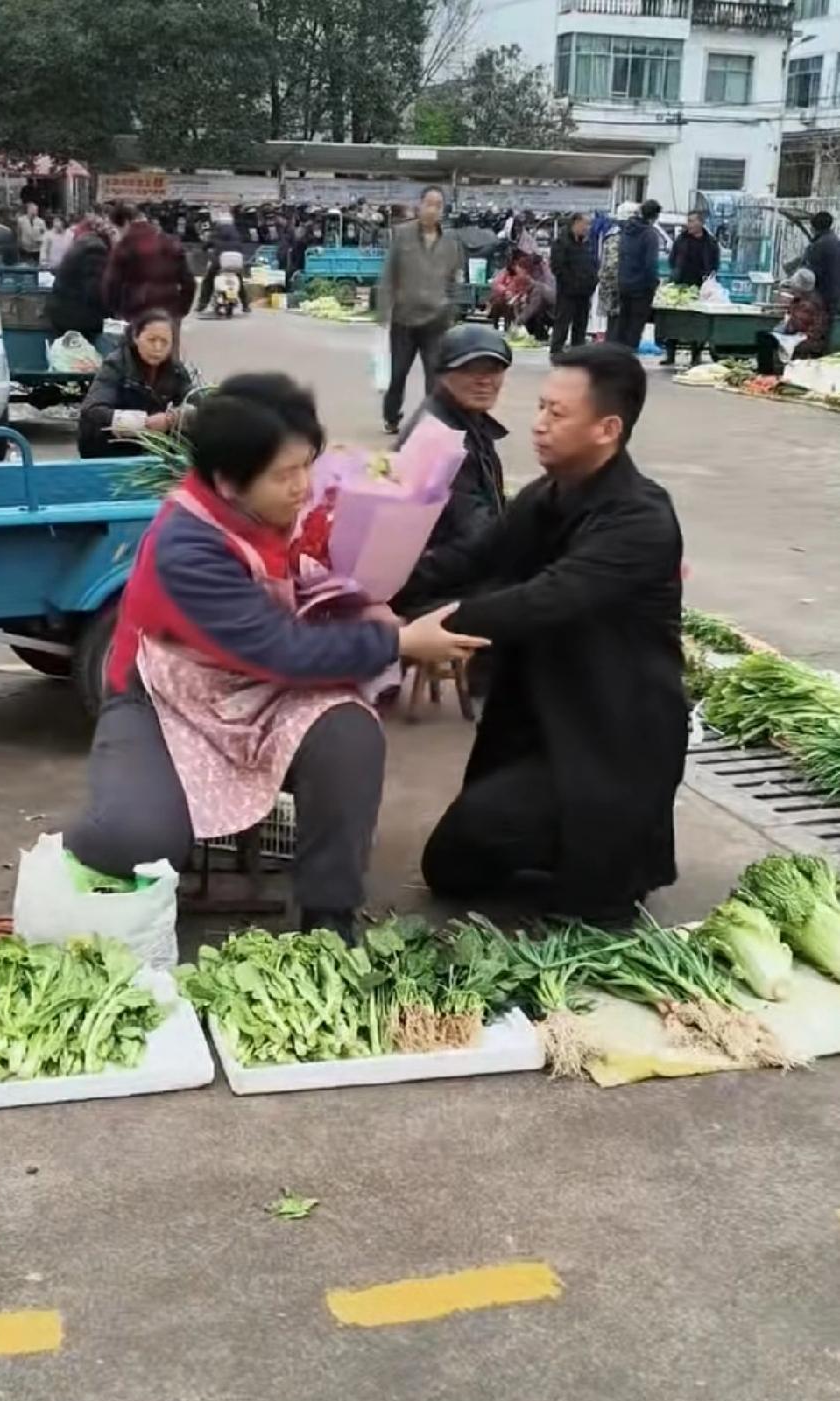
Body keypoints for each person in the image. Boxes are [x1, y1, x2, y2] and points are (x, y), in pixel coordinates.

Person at [65, 374, 485, 941]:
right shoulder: (187, 547)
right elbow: (281, 649)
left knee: (349, 735)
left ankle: (328, 915)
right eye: (285, 475)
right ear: (227, 482)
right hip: (166, 697)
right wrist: (400, 643)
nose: (302, 486)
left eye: (307, 465)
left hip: (264, 687)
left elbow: (323, 582)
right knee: (137, 837)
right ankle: (87, 843)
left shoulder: (282, 507)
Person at [411, 344, 687, 924]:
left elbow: (544, 599)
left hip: (612, 733)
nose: (537, 424)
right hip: (542, 715)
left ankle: (603, 858)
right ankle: (560, 843)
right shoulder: (546, 495)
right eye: (540, 406)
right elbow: (471, 558)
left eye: (557, 413)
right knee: (451, 868)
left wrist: (427, 630)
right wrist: (369, 588)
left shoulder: (640, 519)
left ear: (607, 429)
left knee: (589, 898)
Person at [392, 326, 510, 618]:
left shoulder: (465, 423)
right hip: (434, 590)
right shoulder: (443, 440)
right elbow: (476, 538)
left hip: (446, 577)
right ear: (442, 373)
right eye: (470, 369)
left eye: (494, 369)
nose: (484, 380)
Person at [378, 186, 464, 435]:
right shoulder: (402, 235)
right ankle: (391, 417)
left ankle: (432, 420)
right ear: (419, 205)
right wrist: (384, 311)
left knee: (435, 376)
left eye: (438, 205)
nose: (432, 210)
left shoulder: (451, 242)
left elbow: (455, 280)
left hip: (436, 321)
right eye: (429, 204)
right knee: (398, 374)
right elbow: (389, 274)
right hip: (404, 319)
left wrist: (451, 310)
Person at [78, 310, 194, 459]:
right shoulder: (116, 365)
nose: (158, 347)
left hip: (156, 448)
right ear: (136, 337)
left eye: (164, 342)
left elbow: (199, 405)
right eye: (151, 340)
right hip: (113, 448)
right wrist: (143, 423)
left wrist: (172, 419)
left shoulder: (176, 370)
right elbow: (92, 410)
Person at [103, 211, 196, 326]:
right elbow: (188, 281)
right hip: (169, 309)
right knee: (166, 336)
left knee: (142, 337)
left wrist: (117, 311)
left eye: (115, 230)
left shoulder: (124, 246)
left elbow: (112, 284)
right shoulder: (170, 242)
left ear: (125, 223)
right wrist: (181, 309)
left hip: (137, 310)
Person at [661, 211, 720, 368]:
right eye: (688, 221)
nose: (689, 224)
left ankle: (696, 354)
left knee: (697, 322)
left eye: (692, 221)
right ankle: (670, 354)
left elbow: (715, 263)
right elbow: (672, 259)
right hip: (680, 283)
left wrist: (708, 278)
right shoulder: (681, 239)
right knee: (674, 321)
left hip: (700, 286)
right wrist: (675, 273)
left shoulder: (710, 242)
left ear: (701, 223)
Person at [47, 215, 114, 341]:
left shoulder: (84, 244)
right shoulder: (95, 249)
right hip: (76, 317)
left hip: (65, 312)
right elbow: (95, 290)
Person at [756, 268, 828, 376]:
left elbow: (795, 326)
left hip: (806, 338)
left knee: (765, 339)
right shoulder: (806, 298)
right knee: (767, 336)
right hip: (802, 335)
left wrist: (785, 323)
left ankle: (766, 374)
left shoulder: (808, 303)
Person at [616, 198, 662, 352]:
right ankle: (629, 353)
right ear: (655, 216)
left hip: (624, 282)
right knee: (636, 323)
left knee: (623, 320)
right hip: (641, 286)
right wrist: (654, 283)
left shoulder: (626, 230)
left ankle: (618, 352)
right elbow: (650, 263)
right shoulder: (650, 234)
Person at [549, 213, 597, 354]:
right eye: (584, 224)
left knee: (581, 323)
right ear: (575, 223)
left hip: (584, 291)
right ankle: (556, 350)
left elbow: (592, 264)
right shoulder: (561, 242)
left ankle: (578, 350)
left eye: (588, 225)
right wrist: (571, 282)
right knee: (563, 322)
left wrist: (592, 281)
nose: (587, 228)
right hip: (567, 291)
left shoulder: (586, 244)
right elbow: (557, 267)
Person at [598, 202, 637, 342]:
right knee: (616, 322)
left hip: (621, 286)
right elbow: (612, 266)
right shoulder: (616, 237)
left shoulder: (627, 236)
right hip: (616, 288)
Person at [801, 210, 840, 318]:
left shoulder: (818, 246)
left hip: (821, 299)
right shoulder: (836, 242)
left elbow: (808, 274)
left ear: (813, 227)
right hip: (835, 298)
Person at [488, 250, 531, 330]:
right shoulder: (505, 272)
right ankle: (495, 325)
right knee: (498, 303)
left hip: (517, 299)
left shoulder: (524, 274)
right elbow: (497, 284)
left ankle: (510, 326)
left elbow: (526, 287)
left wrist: (520, 295)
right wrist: (505, 291)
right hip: (505, 297)